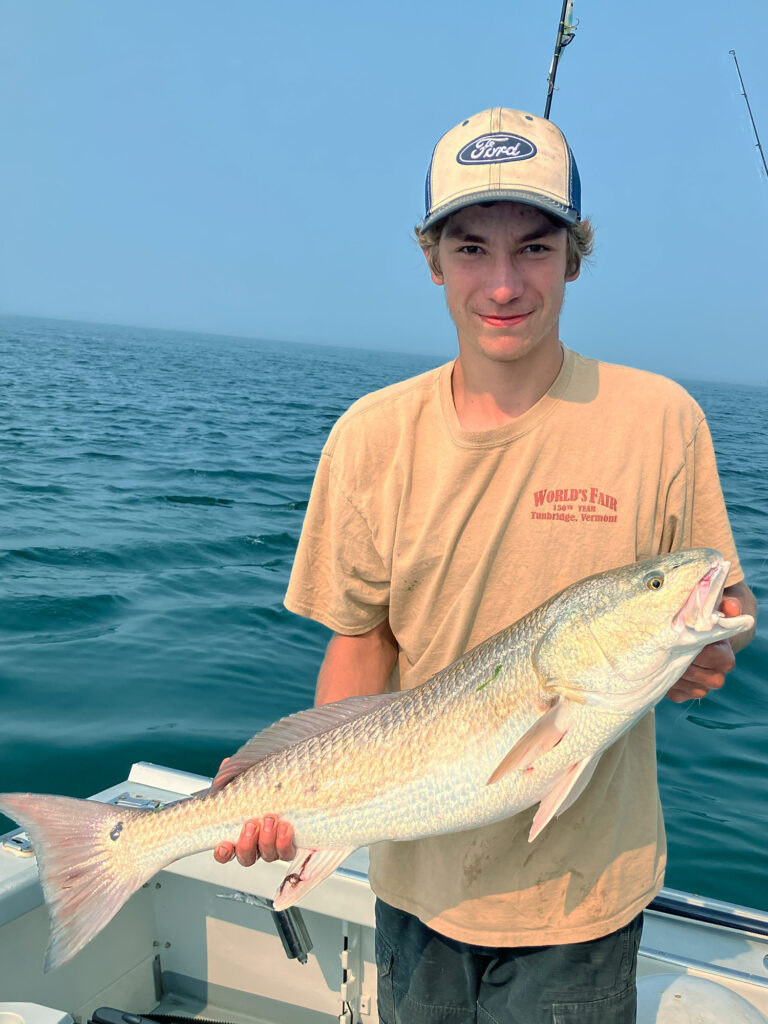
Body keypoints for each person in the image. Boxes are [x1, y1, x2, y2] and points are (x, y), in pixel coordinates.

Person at [215, 108, 757, 1022]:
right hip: (414, 878)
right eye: (471, 249)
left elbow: (722, 599)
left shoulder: (661, 420)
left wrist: (707, 655)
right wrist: (301, 799)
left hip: (584, 897)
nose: (503, 285)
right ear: (431, 259)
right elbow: (362, 648)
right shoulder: (370, 437)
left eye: (536, 250)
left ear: (576, 257)